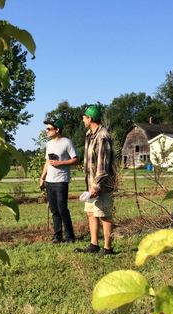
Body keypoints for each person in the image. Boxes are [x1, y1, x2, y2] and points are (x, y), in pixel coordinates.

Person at [75, 104, 117, 256]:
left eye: (84, 117)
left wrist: (96, 186)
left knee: (104, 214)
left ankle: (107, 248)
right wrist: (90, 185)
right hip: (91, 183)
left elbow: (103, 164)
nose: (83, 120)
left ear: (90, 118)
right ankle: (94, 244)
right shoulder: (89, 134)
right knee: (91, 213)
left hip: (102, 184)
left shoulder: (102, 136)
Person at [39, 118, 78, 243]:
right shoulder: (49, 144)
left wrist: (60, 163)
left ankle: (70, 236)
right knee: (54, 210)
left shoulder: (66, 142)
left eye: (49, 129)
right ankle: (57, 236)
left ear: (57, 130)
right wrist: (42, 177)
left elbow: (75, 159)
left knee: (62, 209)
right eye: (47, 129)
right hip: (50, 181)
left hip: (61, 180)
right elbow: (47, 162)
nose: (47, 131)